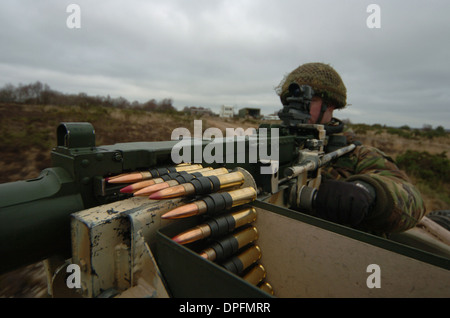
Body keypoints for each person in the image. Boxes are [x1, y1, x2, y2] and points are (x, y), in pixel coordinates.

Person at [276, 62, 426, 235]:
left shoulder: (355, 154)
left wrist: (368, 192)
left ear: (330, 105)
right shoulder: (272, 145)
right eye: (289, 102)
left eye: (308, 101)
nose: (293, 109)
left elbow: (413, 203)